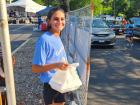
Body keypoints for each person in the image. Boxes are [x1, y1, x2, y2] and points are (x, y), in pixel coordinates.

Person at [32, 7, 69, 105]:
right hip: (51, 86)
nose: (60, 22)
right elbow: (35, 68)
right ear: (49, 21)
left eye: (62, 19)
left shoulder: (57, 36)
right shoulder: (44, 40)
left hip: (61, 82)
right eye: (56, 19)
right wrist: (56, 65)